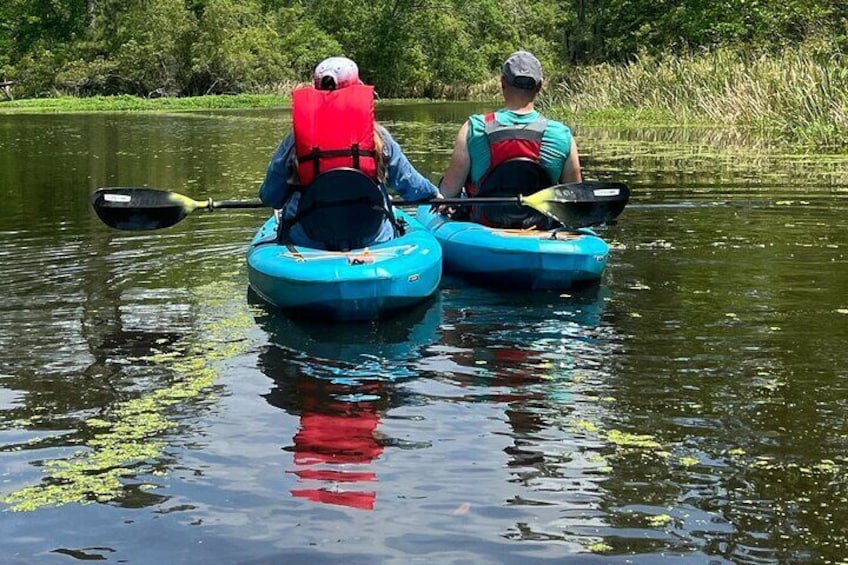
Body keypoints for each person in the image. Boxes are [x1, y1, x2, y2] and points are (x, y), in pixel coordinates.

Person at [259, 56, 441, 250]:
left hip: (309, 240)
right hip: (371, 237)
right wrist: (433, 193)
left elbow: (271, 196)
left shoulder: (295, 140)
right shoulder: (378, 137)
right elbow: (409, 184)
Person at [438, 50, 582, 229]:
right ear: (540, 86)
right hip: (541, 231)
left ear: (502, 83)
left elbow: (447, 193)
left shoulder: (473, 128)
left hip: (484, 231)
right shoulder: (562, 134)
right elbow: (575, 200)